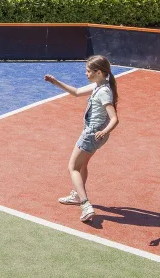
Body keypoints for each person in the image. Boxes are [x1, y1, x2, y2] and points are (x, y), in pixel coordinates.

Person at [44, 55, 119, 222]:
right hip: (97, 135)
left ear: (98, 72)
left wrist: (104, 131)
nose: (86, 73)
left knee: (72, 167)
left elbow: (115, 118)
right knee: (83, 164)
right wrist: (56, 82)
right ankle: (78, 195)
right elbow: (77, 92)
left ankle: (85, 204)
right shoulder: (99, 85)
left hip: (92, 134)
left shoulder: (104, 92)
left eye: (88, 71)